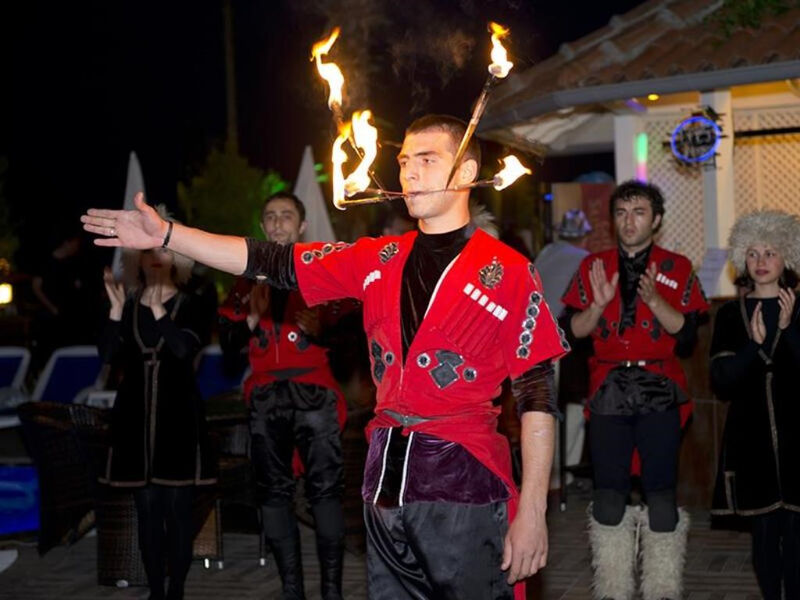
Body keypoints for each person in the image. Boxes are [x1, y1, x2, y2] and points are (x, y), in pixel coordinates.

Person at [82, 114, 569, 600]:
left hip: (463, 479)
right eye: (404, 162)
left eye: (427, 160)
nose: (410, 174)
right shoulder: (378, 258)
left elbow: (536, 395)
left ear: (465, 173)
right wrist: (168, 234)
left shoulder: (507, 270)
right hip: (384, 484)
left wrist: (532, 511)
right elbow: (269, 261)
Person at [561, 180, 708, 600]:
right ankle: (612, 590)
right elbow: (571, 332)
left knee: (661, 492)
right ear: (613, 220)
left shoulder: (677, 267)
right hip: (608, 386)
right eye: (622, 213)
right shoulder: (593, 266)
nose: (630, 221)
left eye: (639, 212)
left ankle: (662, 589)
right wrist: (598, 303)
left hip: (659, 387)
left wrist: (657, 301)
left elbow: (688, 337)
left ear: (656, 219)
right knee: (609, 493)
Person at [218, 192, 347, 600]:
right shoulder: (245, 280)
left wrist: (323, 329)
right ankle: (292, 590)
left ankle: (332, 591)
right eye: (270, 217)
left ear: (302, 226)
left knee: (324, 492)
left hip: (315, 396)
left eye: (286, 216)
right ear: (262, 226)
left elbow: (351, 338)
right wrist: (249, 322)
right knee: (273, 495)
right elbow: (226, 344)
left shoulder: (322, 271)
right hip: (266, 398)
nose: (277, 224)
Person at [98, 207, 216, 600]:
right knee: (147, 513)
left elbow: (184, 349)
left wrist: (159, 310)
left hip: (177, 418)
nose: (154, 255)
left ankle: (177, 589)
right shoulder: (128, 304)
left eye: (160, 246)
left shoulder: (193, 303)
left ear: (174, 253)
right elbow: (110, 358)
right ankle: (156, 592)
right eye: (146, 247)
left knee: (177, 514)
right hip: (133, 418)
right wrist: (116, 314)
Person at [710, 210, 800, 600]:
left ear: (788, 258)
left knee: (797, 537)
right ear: (741, 261)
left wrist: (788, 329)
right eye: (752, 253)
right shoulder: (731, 314)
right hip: (751, 441)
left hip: (797, 439)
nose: (761, 262)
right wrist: (754, 346)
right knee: (763, 536)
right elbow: (723, 380)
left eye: (771, 252)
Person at [535, 210, 592, 490]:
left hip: (534, 335)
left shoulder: (547, 251)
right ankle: (561, 472)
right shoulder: (584, 259)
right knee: (572, 405)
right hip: (562, 338)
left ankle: (548, 470)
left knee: (545, 405)